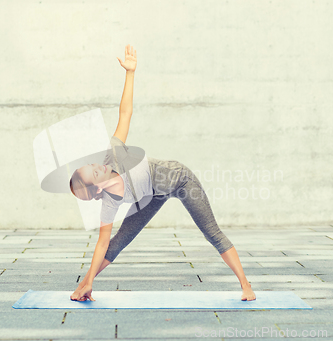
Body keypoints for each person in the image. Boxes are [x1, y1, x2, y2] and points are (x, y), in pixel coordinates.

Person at [69, 44, 256, 302]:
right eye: (94, 173)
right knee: (118, 242)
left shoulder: (115, 154)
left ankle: (246, 286)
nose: (98, 166)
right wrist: (88, 281)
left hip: (178, 179)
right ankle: (85, 285)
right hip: (149, 197)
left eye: (91, 165)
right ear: (98, 189)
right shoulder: (109, 203)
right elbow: (102, 243)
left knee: (211, 231)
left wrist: (130, 73)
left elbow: (125, 113)